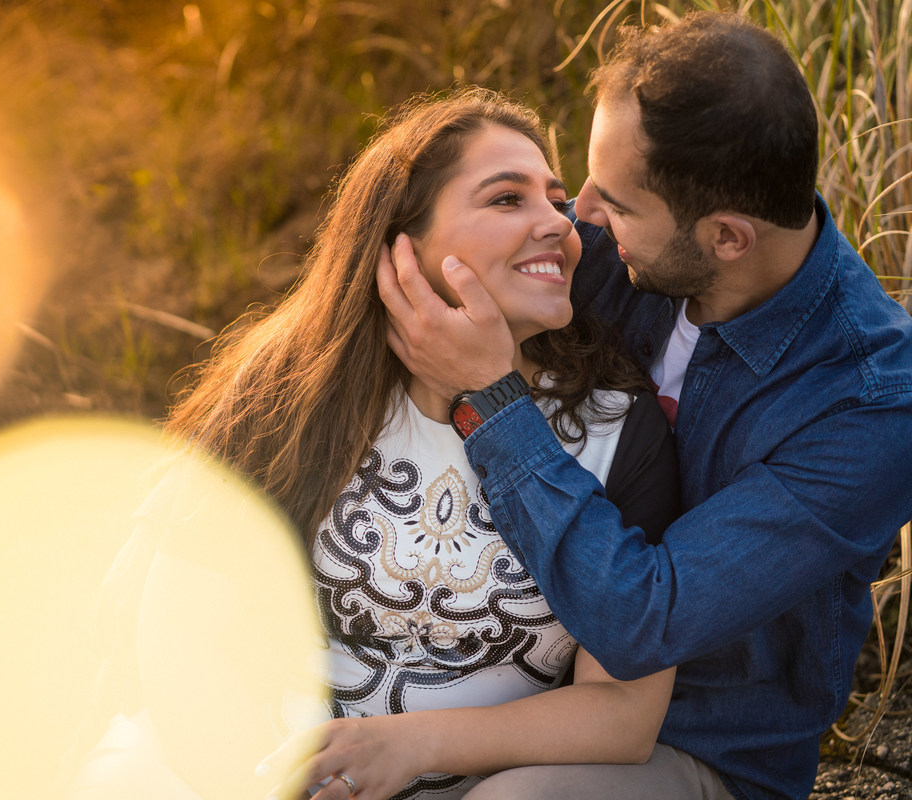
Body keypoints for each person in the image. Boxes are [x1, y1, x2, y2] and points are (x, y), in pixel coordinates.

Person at [379, 11, 912, 800]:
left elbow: (644, 620)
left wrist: (492, 400)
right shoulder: (626, 252)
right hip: (510, 674)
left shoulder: (871, 405)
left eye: (618, 205)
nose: (580, 216)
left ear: (727, 237)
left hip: (693, 748)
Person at [165, 87, 684, 800]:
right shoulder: (291, 388)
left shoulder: (620, 428)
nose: (558, 226)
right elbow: (182, 633)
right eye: (507, 199)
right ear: (401, 242)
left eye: (553, 199)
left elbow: (623, 714)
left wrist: (408, 747)